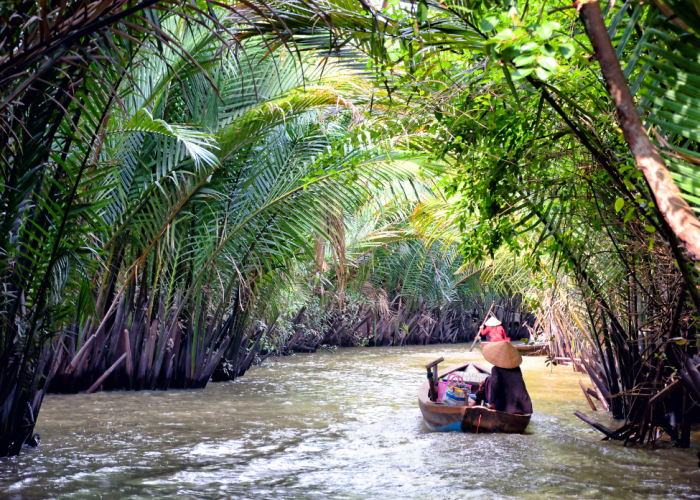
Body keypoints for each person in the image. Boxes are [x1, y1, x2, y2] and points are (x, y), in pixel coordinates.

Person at [481, 341, 532, 415]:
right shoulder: (517, 368)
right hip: (523, 406)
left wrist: (492, 403)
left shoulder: (495, 369)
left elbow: (495, 384)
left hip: (508, 408)